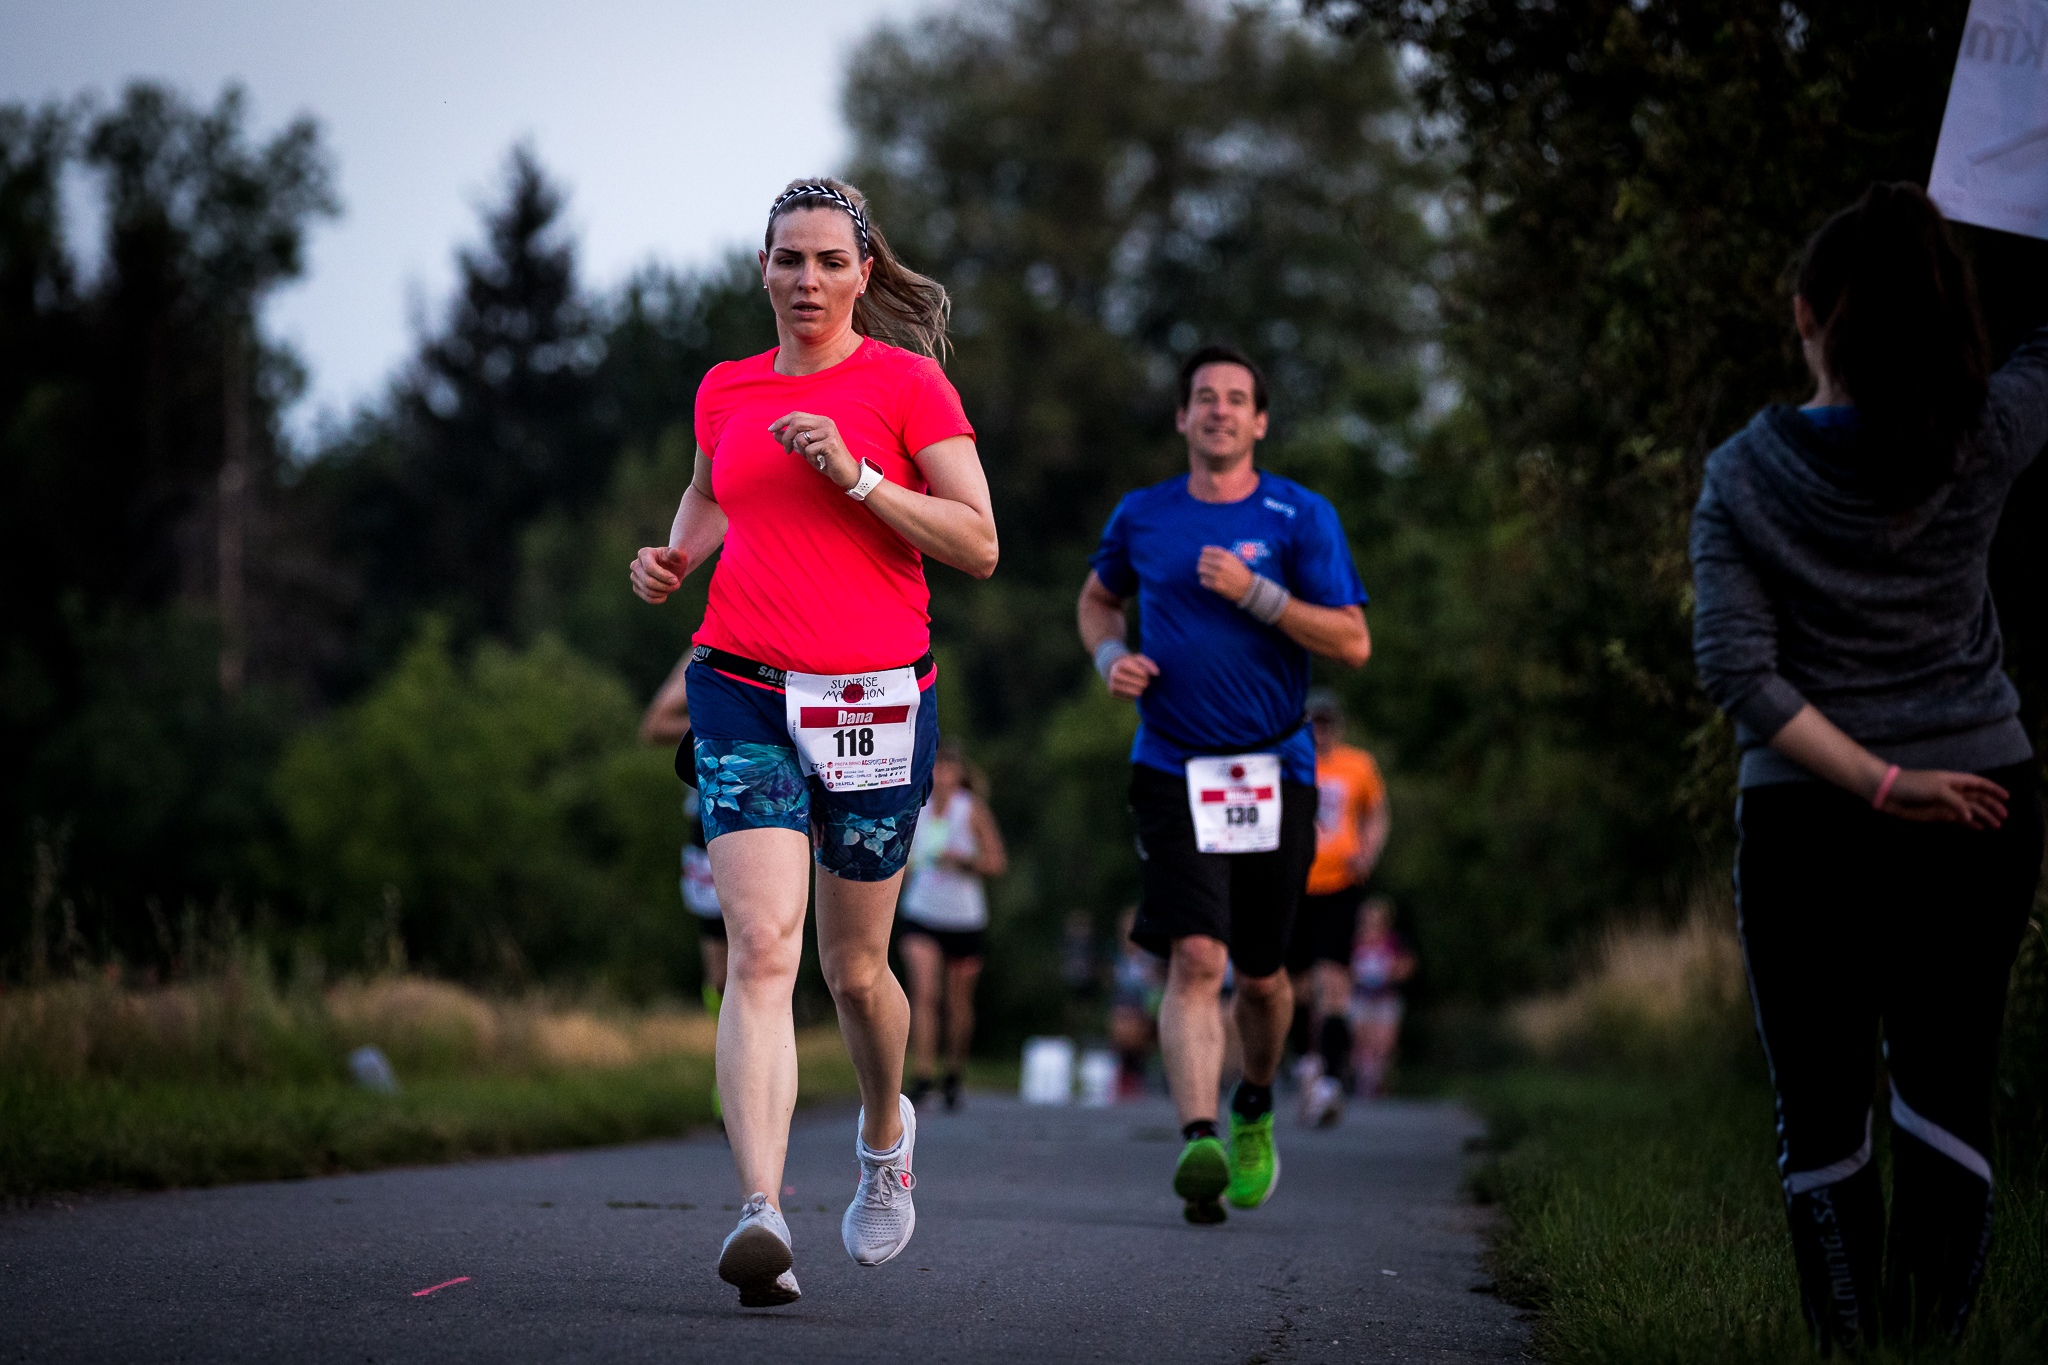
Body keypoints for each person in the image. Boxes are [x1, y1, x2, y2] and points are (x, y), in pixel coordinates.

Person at [1690, 182, 2047, 1350]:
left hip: (1805, 821)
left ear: (1803, 314)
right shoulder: (1983, 432)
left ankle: (1847, 1352)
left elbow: (1738, 673)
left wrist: (1876, 785)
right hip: (1982, 803)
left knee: (1819, 1107)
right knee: (1947, 1085)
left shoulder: (1743, 474)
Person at [629, 177, 997, 1308]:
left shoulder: (907, 384)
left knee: (854, 969)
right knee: (760, 946)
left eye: (829, 260)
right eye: (787, 258)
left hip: (874, 700)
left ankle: (885, 1135)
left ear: (863, 273)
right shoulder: (726, 386)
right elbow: (710, 494)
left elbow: (978, 543)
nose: (806, 279)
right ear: (763, 269)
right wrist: (675, 558)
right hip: (740, 684)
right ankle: (761, 1210)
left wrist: (860, 475)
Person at [1077, 343, 1371, 1224]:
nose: (1219, 410)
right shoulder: (1145, 514)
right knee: (1197, 955)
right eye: (1204, 397)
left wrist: (1259, 594)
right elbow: (1097, 600)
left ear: (1260, 421)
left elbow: (1353, 641)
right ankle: (1199, 1137)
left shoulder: (1299, 515)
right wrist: (1110, 656)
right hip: (1172, 762)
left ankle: (1254, 1101)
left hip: (1275, 767)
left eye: (1236, 398)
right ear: (1182, 416)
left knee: (1265, 975)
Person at [1285, 688, 1388, 1126]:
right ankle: (1304, 1061)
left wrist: (1368, 852)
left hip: (1340, 883)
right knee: (1295, 983)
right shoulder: (1289, 761)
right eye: (1315, 724)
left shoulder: (1357, 765)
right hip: (1295, 882)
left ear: (1339, 726)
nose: (1322, 732)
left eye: (1328, 723)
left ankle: (1330, 1074)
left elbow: (1377, 813)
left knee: (1334, 978)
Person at [897, 742, 1007, 1110]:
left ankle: (954, 1073)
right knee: (924, 993)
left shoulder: (970, 810)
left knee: (957, 1003)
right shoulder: (916, 807)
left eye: (947, 769)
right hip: (921, 913)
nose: (941, 776)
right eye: (935, 768)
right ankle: (923, 1075)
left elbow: (996, 862)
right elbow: (905, 861)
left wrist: (964, 862)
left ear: (959, 774)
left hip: (963, 919)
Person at [640, 657, 727, 1017]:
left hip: (782, 810)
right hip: (709, 818)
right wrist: (726, 721)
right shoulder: (703, 650)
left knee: (766, 949)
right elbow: (654, 726)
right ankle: (721, 1043)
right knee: (721, 973)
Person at [1345, 896, 1413, 1099]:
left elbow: (1407, 966)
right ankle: (1364, 1080)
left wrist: (1390, 972)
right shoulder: (1353, 940)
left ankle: (1377, 1078)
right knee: (1360, 1040)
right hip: (1359, 997)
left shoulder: (1394, 941)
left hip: (1386, 998)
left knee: (1384, 1043)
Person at [1109, 906, 1165, 1099]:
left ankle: (1134, 1073)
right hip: (1128, 1013)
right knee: (1122, 1022)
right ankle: (1128, 1073)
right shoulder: (1116, 958)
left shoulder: (1154, 959)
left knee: (1128, 1024)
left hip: (1152, 1013)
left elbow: (1160, 990)